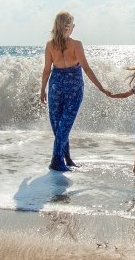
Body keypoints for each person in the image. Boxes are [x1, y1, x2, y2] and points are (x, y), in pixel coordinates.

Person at [40, 12, 108, 171]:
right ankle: (56, 160)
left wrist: (43, 89)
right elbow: (86, 68)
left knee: (60, 124)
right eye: (73, 25)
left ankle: (67, 158)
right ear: (68, 27)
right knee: (64, 124)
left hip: (56, 85)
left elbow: (46, 70)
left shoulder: (50, 45)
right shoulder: (76, 44)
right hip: (74, 86)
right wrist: (101, 87)